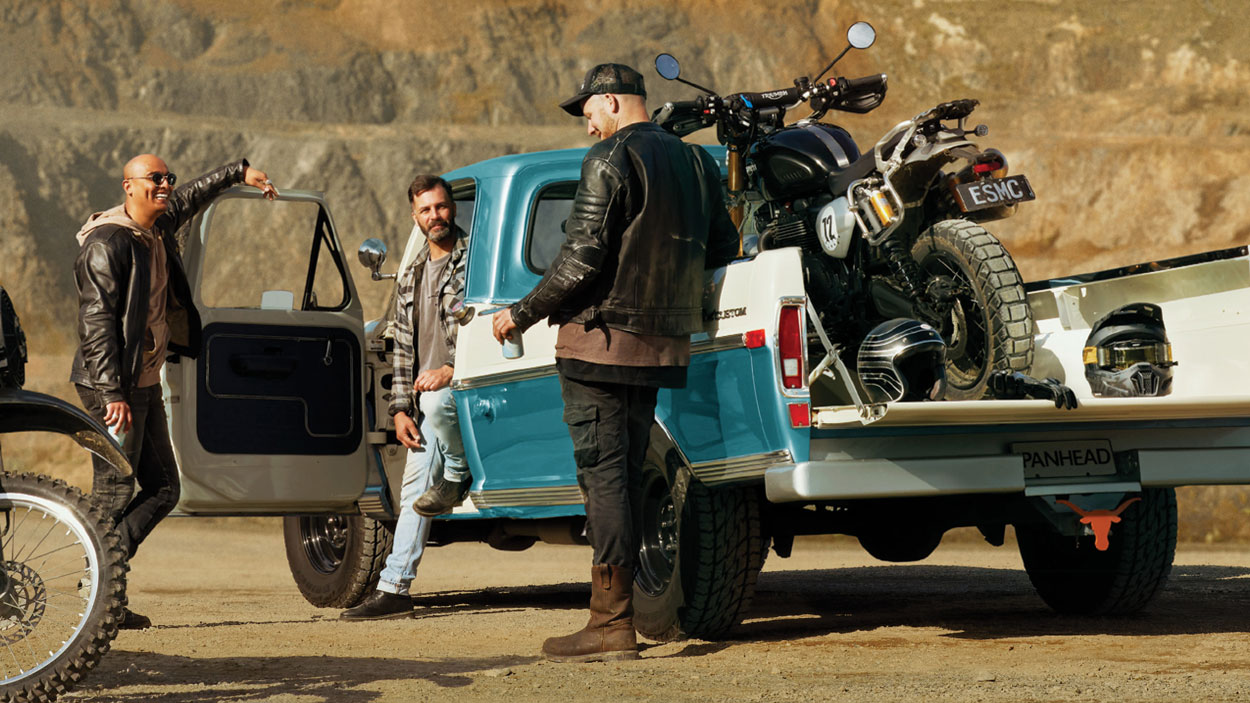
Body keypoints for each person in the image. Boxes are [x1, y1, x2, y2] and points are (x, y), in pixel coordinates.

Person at [491, 63, 738, 662]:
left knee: (603, 477)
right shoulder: (695, 163)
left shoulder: (609, 160)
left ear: (610, 101)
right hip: (661, 349)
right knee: (625, 473)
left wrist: (518, 314)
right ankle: (613, 616)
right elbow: (725, 247)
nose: (586, 123)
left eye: (588, 111)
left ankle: (610, 622)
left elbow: (580, 258)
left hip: (599, 344)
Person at [72, 154, 278, 629]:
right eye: (154, 179)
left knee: (165, 488)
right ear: (128, 186)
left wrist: (237, 172)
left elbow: (190, 196)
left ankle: (102, 585)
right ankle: (96, 598)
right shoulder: (107, 244)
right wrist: (112, 394)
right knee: (114, 489)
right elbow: (96, 324)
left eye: (168, 178)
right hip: (113, 388)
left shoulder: (157, 227)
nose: (165, 185)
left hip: (143, 382)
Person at [340, 175, 471, 620]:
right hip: (425, 401)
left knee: (437, 403)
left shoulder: (476, 261)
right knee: (413, 487)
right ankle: (395, 588)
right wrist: (398, 410)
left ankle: (457, 471)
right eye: (426, 211)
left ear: (453, 208)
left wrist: (452, 370)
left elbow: (482, 323)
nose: (436, 217)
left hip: (467, 389)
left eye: (441, 207)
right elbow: (401, 352)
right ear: (414, 218)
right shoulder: (412, 275)